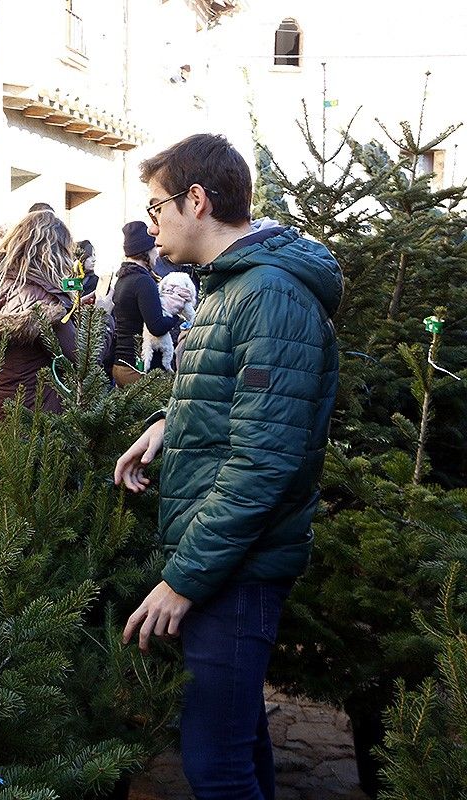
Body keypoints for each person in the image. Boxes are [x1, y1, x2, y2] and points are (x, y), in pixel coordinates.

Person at [115, 133, 342, 800]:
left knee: (216, 764)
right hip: (224, 559)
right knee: (238, 747)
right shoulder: (230, 286)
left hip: (235, 570)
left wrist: (181, 582)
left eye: (157, 207)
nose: (152, 224)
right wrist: (168, 423)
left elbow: (263, 465)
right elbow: (238, 403)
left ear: (196, 199)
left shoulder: (269, 294)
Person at [0, 210, 78, 418]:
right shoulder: (48, 303)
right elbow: (85, 359)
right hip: (40, 424)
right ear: (55, 253)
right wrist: (103, 318)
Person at [108, 220, 179, 386]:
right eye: (155, 248)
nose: (158, 253)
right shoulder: (143, 281)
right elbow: (157, 327)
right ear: (146, 251)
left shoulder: (123, 278)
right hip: (139, 369)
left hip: (121, 365)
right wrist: (176, 312)